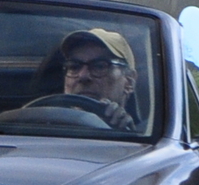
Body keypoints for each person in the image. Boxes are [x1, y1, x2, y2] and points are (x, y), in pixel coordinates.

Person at [12, 27, 141, 127]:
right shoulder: (38, 127)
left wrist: (123, 131)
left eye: (99, 66)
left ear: (129, 82)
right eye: (74, 67)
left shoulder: (143, 144)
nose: (83, 76)